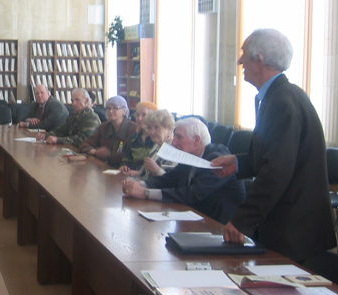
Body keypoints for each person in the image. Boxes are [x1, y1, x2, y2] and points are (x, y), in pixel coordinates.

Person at [212, 29, 336, 262]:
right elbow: (274, 154)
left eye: (243, 53)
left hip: (293, 226)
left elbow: (277, 170)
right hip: (287, 221)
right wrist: (239, 163)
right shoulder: (278, 96)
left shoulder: (282, 101)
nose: (240, 61)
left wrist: (241, 220)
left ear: (259, 59)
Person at [122, 118, 246, 224]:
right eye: (174, 136)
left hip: (218, 226)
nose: (174, 142)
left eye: (179, 137)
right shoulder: (190, 155)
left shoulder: (216, 160)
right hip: (195, 218)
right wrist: (140, 184)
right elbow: (170, 178)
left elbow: (191, 194)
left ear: (196, 140)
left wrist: (145, 193)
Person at [79, 95, 137, 166]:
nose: (110, 111)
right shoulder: (104, 126)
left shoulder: (133, 129)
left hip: (123, 168)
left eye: (115, 108)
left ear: (124, 111)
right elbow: (84, 144)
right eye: (108, 108)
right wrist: (96, 152)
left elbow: (132, 156)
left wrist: (110, 154)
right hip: (102, 166)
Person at [121, 109, 176, 179]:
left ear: (169, 129)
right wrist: (136, 174)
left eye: (157, 127)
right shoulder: (156, 146)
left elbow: (173, 181)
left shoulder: (175, 150)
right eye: (149, 128)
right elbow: (145, 174)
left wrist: (158, 171)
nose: (152, 132)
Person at [35, 89, 100, 147]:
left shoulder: (92, 118)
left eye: (77, 100)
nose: (74, 103)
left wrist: (58, 140)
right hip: (72, 149)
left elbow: (82, 139)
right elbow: (61, 131)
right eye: (72, 101)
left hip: (87, 153)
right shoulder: (73, 115)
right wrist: (45, 136)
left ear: (86, 101)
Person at [120, 101, 158, 170]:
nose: (139, 118)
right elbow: (126, 160)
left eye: (144, 115)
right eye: (137, 115)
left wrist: (137, 172)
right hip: (130, 175)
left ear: (153, 117)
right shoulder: (133, 138)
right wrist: (124, 167)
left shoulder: (158, 140)